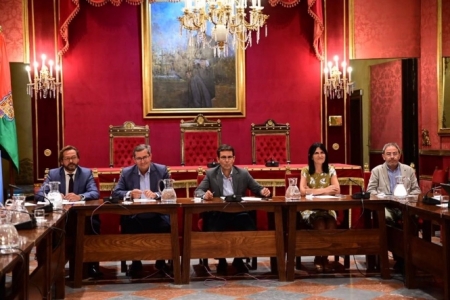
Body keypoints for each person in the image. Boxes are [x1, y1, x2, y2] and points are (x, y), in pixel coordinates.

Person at [194, 144, 271, 275]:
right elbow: (198, 191)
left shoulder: (243, 174)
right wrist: (204, 195)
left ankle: (239, 259)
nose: (227, 160)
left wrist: (263, 191)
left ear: (234, 159)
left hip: (239, 213)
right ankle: (222, 260)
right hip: (219, 213)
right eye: (223, 157)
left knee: (249, 228)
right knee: (214, 229)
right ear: (218, 159)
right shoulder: (211, 174)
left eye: (229, 157)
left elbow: (257, 188)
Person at [35, 145, 101, 277]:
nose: (71, 161)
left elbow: (94, 192)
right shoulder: (53, 173)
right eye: (67, 159)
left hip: (79, 215)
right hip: (58, 216)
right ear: (61, 161)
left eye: (73, 158)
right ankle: (48, 269)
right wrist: (54, 196)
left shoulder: (86, 173)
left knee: (93, 224)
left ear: (78, 159)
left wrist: (80, 196)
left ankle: (89, 267)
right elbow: (40, 194)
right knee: (45, 232)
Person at [112, 144, 170, 277]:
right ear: (134, 159)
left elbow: (169, 192)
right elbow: (116, 193)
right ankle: (135, 262)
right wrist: (129, 194)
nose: (142, 161)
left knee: (166, 225)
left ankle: (161, 261)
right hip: (135, 215)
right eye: (139, 158)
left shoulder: (161, 170)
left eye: (145, 157)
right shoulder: (127, 172)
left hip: (157, 214)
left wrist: (157, 195)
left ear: (150, 157)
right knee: (129, 226)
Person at [366, 142, 421, 273]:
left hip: (404, 206)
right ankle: (400, 256)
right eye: (388, 154)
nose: (392, 157)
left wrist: (407, 196)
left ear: (399, 155)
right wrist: (384, 196)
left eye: (395, 154)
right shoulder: (377, 171)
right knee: (388, 220)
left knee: (412, 221)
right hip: (386, 206)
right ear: (383, 156)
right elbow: (370, 191)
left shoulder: (409, 170)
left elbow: (416, 190)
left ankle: (412, 257)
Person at [299, 142, 340, 271]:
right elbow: (302, 191)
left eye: (322, 152)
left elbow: (336, 190)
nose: (320, 155)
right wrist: (326, 189)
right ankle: (318, 257)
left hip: (327, 208)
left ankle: (325, 257)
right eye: (316, 153)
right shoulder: (305, 171)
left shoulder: (331, 170)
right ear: (311, 156)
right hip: (309, 209)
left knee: (331, 223)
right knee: (320, 223)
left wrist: (312, 190)